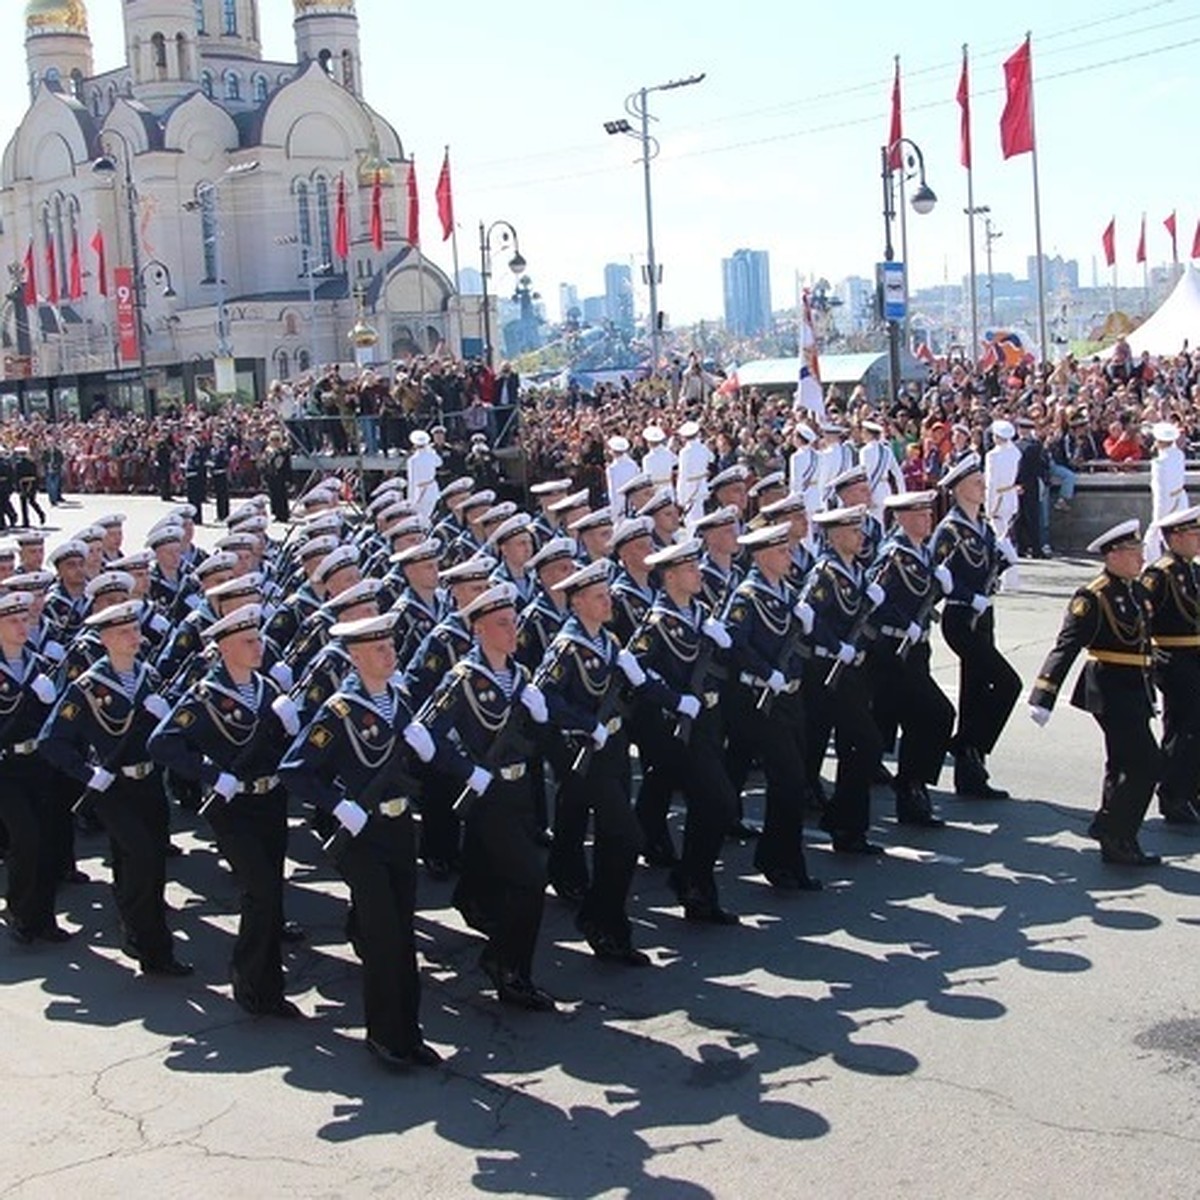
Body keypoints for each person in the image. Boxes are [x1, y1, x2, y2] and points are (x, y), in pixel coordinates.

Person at [279, 610, 443, 1071]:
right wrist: (338, 805)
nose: (389, 654)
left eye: (390, 646)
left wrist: (427, 752)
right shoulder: (340, 711)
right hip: (361, 834)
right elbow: (295, 771)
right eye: (378, 649)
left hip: (398, 829)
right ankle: (384, 1035)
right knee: (383, 935)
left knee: (402, 933)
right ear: (354, 657)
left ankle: (410, 1033)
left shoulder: (400, 700)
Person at [148, 603, 303, 1017]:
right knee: (262, 892)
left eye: (258, 640)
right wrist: (209, 774)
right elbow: (162, 743)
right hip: (233, 807)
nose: (259, 648)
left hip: (271, 800)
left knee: (270, 892)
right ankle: (250, 980)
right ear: (226, 648)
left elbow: (287, 754)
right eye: (249, 642)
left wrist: (293, 729)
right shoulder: (204, 697)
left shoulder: (267, 689)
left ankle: (267, 986)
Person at [415, 583, 557, 1011]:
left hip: (520, 792)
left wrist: (542, 717)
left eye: (513, 622)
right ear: (477, 630)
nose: (512, 631)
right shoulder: (462, 680)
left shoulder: (521, 677)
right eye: (501, 624)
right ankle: (508, 967)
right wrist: (466, 770)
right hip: (488, 793)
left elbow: (536, 742)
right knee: (531, 881)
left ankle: (501, 955)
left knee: (509, 881)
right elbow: (425, 734)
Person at [39, 600, 191, 976]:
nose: (135, 638)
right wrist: (87, 773)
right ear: (105, 639)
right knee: (144, 858)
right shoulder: (88, 687)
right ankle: (146, 939)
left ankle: (143, 934)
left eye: (136, 630)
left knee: (147, 863)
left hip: (150, 783)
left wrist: (166, 712)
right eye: (124, 632)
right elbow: (51, 741)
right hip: (113, 788)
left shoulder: (149, 676)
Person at [535, 560, 653, 964]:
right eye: (600, 597)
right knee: (628, 837)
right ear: (578, 602)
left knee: (612, 840)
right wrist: (586, 724)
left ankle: (609, 929)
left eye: (608, 594)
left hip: (616, 749)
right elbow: (544, 697)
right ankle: (598, 918)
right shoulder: (567, 647)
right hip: (589, 753)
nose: (609, 602)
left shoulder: (608, 641)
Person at [1028, 519, 1162, 865]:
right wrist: (1044, 695)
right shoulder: (1094, 596)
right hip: (1110, 688)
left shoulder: (1136, 590)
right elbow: (1067, 646)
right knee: (1145, 764)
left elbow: (1147, 643)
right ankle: (1119, 835)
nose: (1140, 558)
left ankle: (1111, 829)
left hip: (1136, 688)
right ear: (1114, 555)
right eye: (1134, 552)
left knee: (1122, 762)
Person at [628, 538, 740, 923]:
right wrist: (673, 699)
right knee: (721, 803)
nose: (698, 574)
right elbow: (638, 672)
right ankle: (691, 879)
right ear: (671, 576)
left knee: (710, 806)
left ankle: (695, 885)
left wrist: (724, 642)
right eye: (690, 569)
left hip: (709, 721)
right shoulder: (657, 622)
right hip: (680, 727)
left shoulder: (700, 612)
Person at [721, 522, 821, 891]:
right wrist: (765, 673)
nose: (789, 556)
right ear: (762, 556)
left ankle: (784, 859)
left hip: (791, 696)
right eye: (781, 551)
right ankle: (780, 861)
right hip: (763, 700)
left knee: (793, 780)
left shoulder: (786, 592)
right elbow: (733, 644)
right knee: (788, 780)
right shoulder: (748, 596)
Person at [930, 453, 1021, 801]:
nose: (983, 487)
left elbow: (985, 569)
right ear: (959, 489)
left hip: (985, 617)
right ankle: (964, 743)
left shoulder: (983, 526)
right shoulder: (950, 529)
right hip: (960, 618)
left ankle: (970, 776)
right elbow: (935, 574)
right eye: (976, 483)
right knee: (1008, 683)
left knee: (977, 692)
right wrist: (966, 594)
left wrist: (1002, 560)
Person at [865, 490, 955, 826]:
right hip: (893, 652)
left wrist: (944, 587)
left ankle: (913, 790)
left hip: (917, 649)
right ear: (901, 519)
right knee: (937, 713)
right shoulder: (893, 555)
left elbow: (923, 596)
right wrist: (903, 623)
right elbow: (875, 603)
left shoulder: (922, 553)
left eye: (928, 513)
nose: (927, 519)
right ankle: (909, 786)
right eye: (919, 515)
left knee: (917, 720)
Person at [800, 506, 886, 854]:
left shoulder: (855, 571)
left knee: (857, 745)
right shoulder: (825, 574)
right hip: (828, 670)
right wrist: (836, 646)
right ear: (835, 536)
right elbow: (809, 618)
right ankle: (842, 819)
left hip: (853, 670)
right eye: (852, 531)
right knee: (866, 743)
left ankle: (848, 826)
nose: (860, 536)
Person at [0, 589, 68, 944]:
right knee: (25, 837)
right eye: (12, 620)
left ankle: (43, 916)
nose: (21, 626)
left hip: (38, 764)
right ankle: (20, 910)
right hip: (4, 768)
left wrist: (50, 701)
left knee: (47, 840)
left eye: (24, 619)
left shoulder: (39, 665)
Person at [1139, 505, 1200, 824]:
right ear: (1175, 537)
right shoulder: (1159, 574)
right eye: (1194, 533)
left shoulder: (1192, 569)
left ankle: (1189, 791)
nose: (1199, 539)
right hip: (1172, 658)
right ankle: (1174, 794)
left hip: (1194, 657)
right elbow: (1141, 620)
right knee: (1185, 727)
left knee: (1191, 728)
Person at [1144, 422, 1188, 563]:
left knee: (1154, 532)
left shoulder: (1159, 463)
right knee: (1179, 531)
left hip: (1165, 500)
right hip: (1180, 498)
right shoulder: (1179, 454)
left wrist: (1159, 513)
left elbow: (1160, 489)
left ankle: (1152, 562)